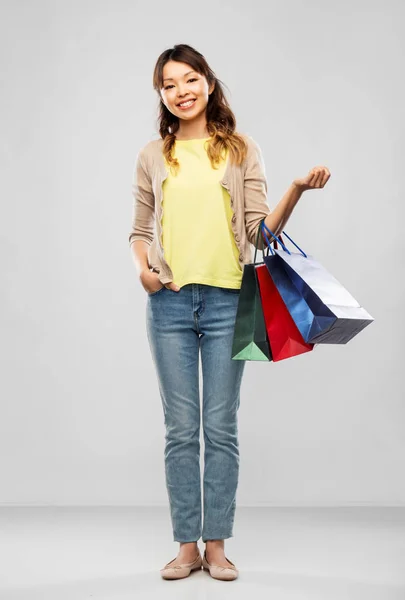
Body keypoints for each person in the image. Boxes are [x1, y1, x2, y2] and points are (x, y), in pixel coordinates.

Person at [129, 44, 330, 581]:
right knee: (180, 429)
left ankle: (216, 546)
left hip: (227, 301)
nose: (181, 92)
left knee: (219, 426)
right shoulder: (154, 154)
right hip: (168, 303)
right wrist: (143, 270)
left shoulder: (240, 150)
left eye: (190, 79)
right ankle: (185, 547)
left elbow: (260, 234)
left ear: (209, 84)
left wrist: (294, 190)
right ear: (163, 95)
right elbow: (139, 230)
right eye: (169, 85)